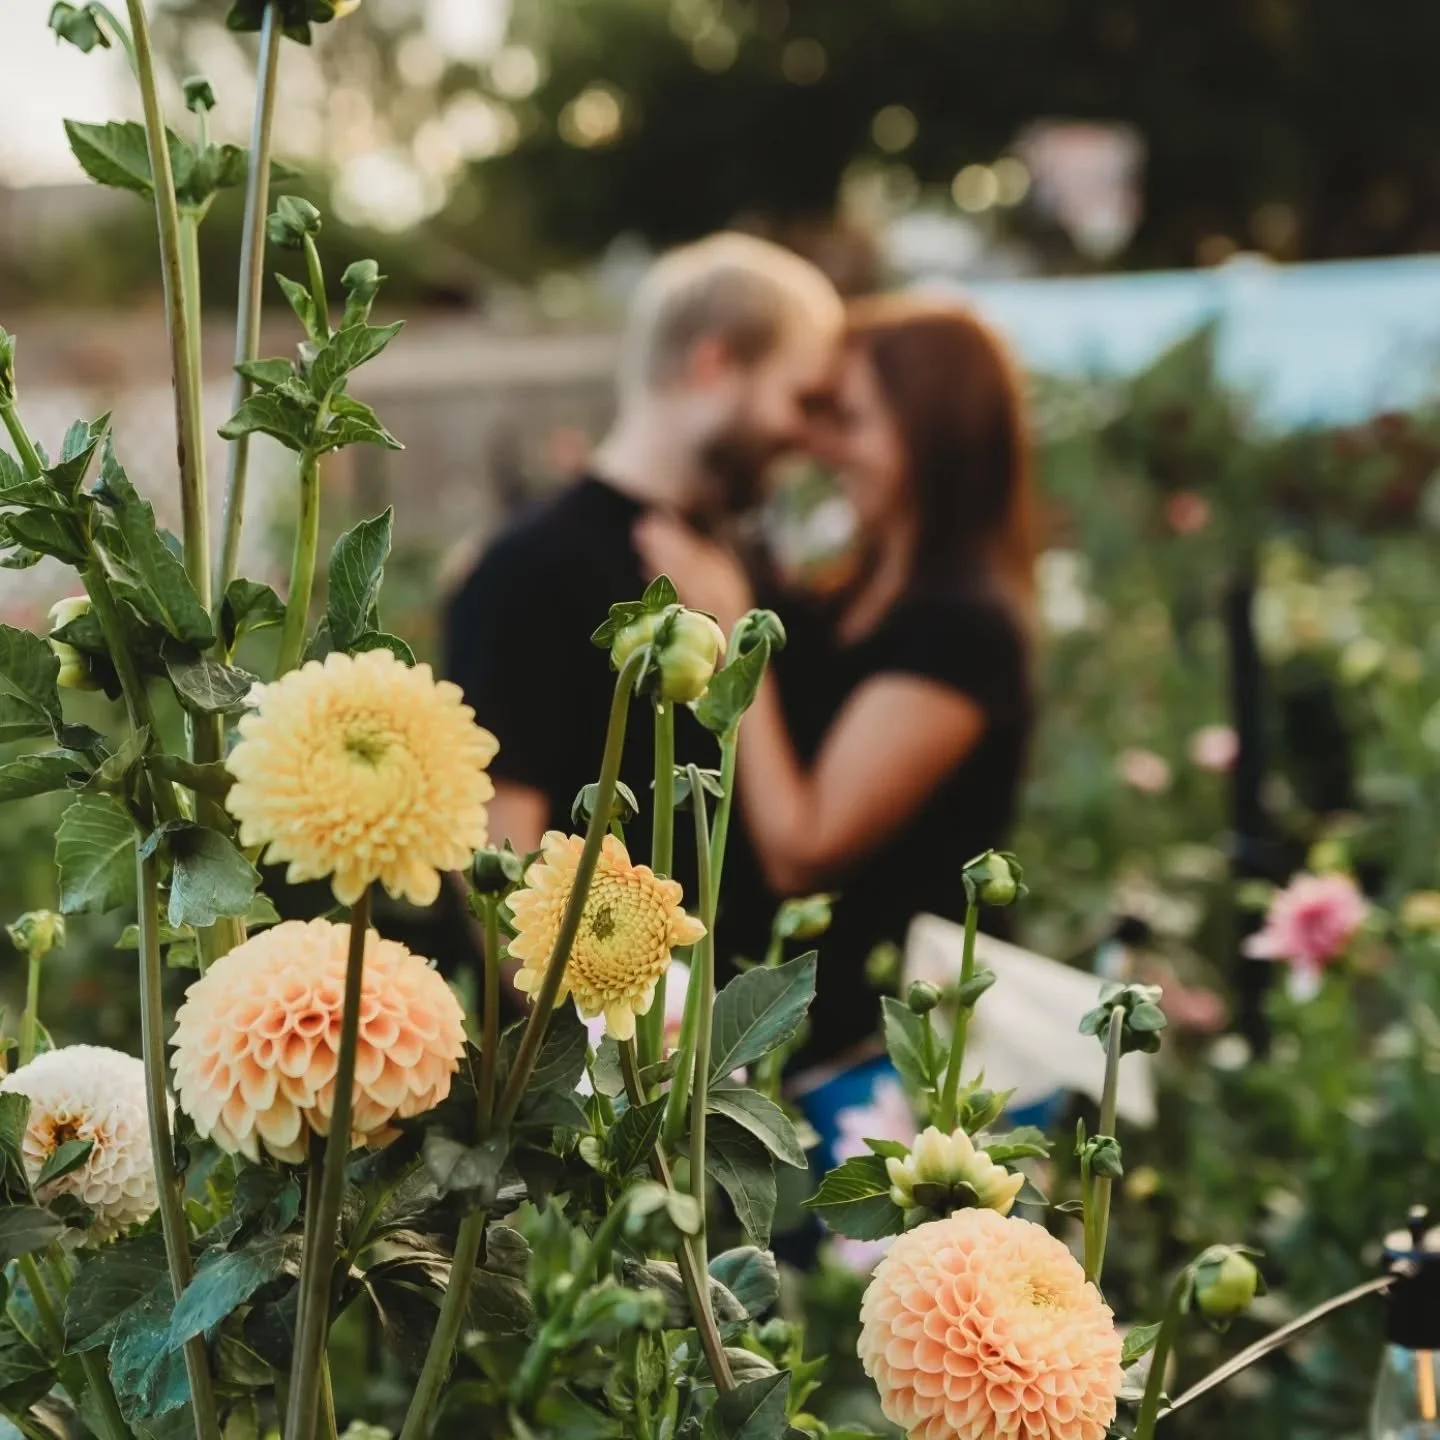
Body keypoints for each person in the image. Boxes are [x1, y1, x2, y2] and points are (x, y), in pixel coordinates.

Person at [636, 294, 1038, 1072]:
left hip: (895, 1064)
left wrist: (728, 629)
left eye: (848, 420)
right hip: (811, 1037)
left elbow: (803, 847)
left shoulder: (964, 631)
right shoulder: (847, 595)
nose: (818, 444)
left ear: (930, 436)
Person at [444, 233, 844, 877]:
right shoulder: (529, 567)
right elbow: (497, 871)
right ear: (713, 364)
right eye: (800, 399)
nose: (806, 434)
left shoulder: (732, 548)